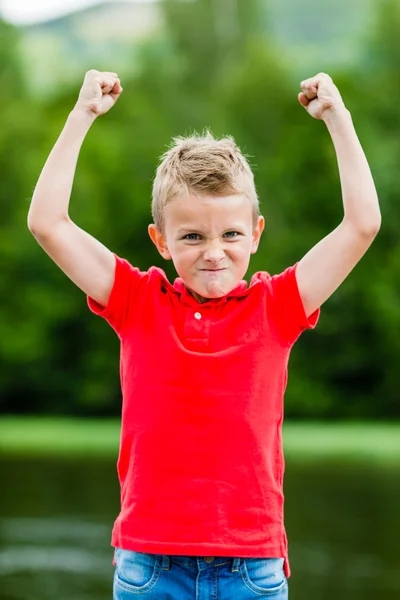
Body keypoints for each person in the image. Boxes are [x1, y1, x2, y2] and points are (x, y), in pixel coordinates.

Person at [27, 69, 381, 599]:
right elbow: (47, 223)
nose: (214, 251)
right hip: (150, 566)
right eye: (191, 236)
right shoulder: (136, 300)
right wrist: (81, 116)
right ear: (161, 240)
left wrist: (339, 119)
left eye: (231, 234)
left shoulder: (277, 306)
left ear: (256, 234)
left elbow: (362, 225)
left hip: (252, 567)